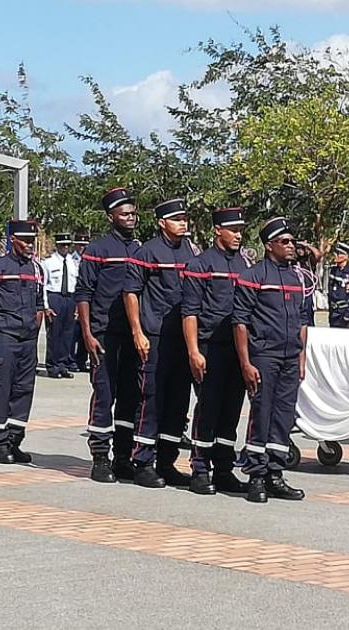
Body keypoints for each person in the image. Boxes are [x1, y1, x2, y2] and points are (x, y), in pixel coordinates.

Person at [233, 217, 308, 504]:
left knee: (284, 417)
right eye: (284, 242)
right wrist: (245, 363)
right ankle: (256, 475)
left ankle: (275, 473)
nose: (291, 246)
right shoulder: (254, 276)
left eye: (292, 241)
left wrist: (301, 357)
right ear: (269, 246)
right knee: (261, 415)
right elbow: (240, 322)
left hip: (290, 357)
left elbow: (303, 319)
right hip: (264, 356)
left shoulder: (296, 277)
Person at [124, 198, 197, 488]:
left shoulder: (191, 252)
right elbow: (131, 293)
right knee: (151, 400)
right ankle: (142, 462)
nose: (183, 223)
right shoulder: (147, 252)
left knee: (178, 403)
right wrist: (137, 332)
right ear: (161, 223)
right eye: (177, 219)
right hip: (154, 336)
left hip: (182, 338)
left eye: (185, 218)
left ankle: (167, 461)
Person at [181, 207, 251, 495]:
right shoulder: (201, 265)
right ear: (217, 230)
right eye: (232, 229)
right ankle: (199, 468)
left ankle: (224, 469)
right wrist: (194, 351)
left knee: (231, 410)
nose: (238, 235)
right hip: (210, 345)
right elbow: (189, 313)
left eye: (240, 230)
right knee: (208, 409)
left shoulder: (245, 266)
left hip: (237, 349)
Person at [76, 188, 142, 483]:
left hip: (133, 335)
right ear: (110, 217)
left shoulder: (141, 249)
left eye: (133, 213)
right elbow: (83, 293)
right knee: (104, 395)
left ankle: (123, 457)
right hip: (104, 333)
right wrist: (88, 333)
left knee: (131, 397)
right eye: (124, 214)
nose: (130, 218)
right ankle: (100, 457)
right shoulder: (98, 249)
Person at [0, 220, 45, 465]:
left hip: (28, 340)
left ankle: (15, 440)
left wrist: (36, 330)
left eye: (32, 240)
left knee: (24, 390)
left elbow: (39, 304)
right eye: (25, 240)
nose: (29, 245)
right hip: (4, 337)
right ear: (12, 239)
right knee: (1, 389)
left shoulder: (36, 269)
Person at [42, 233, 79, 379]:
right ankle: (53, 366)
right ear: (57, 246)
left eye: (67, 245)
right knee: (54, 333)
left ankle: (63, 365)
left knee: (68, 333)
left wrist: (77, 305)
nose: (65, 248)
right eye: (62, 245)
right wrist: (46, 306)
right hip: (55, 297)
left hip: (70, 298)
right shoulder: (49, 262)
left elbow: (77, 285)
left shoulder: (74, 262)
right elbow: (44, 286)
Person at [70, 233, 90, 373]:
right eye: (80, 245)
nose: (82, 247)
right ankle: (71, 360)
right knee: (72, 333)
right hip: (72, 297)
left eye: (85, 245)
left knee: (85, 331)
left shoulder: (89, 260)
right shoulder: (70, 260)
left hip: (87, 299)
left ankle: (82, 360)